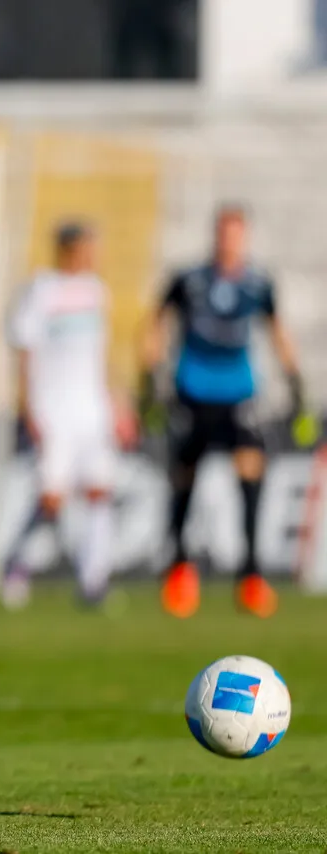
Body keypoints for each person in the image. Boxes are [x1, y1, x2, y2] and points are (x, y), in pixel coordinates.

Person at [141, 204, 315, 619]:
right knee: (184, 479)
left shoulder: (257, 283)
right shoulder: (189, 281)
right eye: (224, 233)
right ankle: (180, 571)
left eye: (236, 234)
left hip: (239, 394)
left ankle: (251, 576)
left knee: (251, 474)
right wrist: (149, 381)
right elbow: (157, 324)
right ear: (215, 236)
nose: (229, 242)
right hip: (192, 391)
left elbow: (277, 332)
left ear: (245, 238)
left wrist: (296, 384)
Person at [1, 223, 127, 609]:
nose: (92, 256)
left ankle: (94, 581)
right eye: (87, 248)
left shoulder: (95, 291)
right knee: (52, 499)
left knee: (99, 492)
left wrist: (116, 403)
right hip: (53, 409)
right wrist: (28, 406)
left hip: (92, 409)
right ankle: (17, 565)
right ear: (68, 249)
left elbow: (101, 355)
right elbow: (26, 351)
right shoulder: (42, 290)